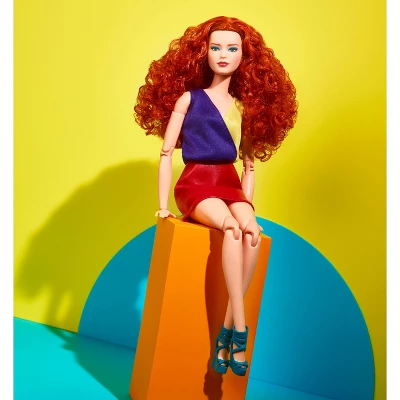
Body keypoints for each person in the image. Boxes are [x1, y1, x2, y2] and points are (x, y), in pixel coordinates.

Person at [134, 16, 297, 376]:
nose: (223, 54)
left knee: (252, 233)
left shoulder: (243, 108)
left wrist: (247, 205)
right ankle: (239, 326)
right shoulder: (188, 99)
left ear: (245, 57)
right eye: (216, 47)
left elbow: (249, 166)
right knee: (232, 229)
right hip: (196, 182)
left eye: (232, 48)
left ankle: (226, 331)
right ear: (202, 53)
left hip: (229, 184)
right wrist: (162, 206)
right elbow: (166, 153)